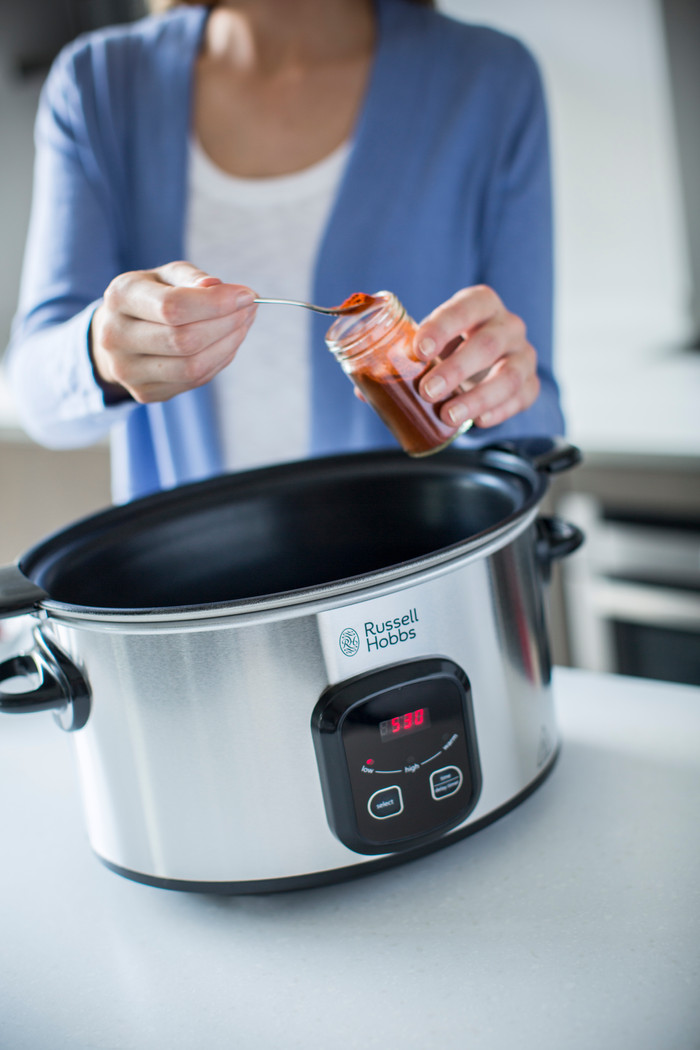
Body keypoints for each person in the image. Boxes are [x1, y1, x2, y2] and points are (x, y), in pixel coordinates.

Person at [6, 0, 564, 504]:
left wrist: (493, 393)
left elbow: (536, 423)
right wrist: (103, 352)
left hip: (417, 585)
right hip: (193, 599)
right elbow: (36, 395)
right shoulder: (99, 85)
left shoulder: (491, 80)